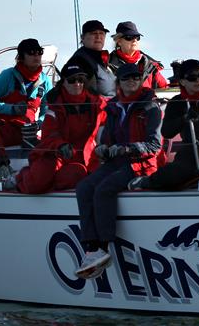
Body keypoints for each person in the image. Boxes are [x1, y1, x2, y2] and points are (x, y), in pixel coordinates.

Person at [74, 63, 162, 279]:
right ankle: (91, 247)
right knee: (84, 187)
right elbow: (105, 140)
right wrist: (103, 149)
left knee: (104, 189)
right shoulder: (114, 107)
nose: (131, 81)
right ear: (119, 82)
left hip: (142, 164)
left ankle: (103, 247)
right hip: (117, 162)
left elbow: (154, 145)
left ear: (141, 80)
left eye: (135, 77)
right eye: (126, 78)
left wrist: (127, 149)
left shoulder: (150, 106)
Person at [127, 59, 199, 191]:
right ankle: (146, 181)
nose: (198, 80)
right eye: (192, 77)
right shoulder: (177, 102)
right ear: (182, 81)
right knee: (173, 175)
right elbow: (166, 132)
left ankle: (197, 178)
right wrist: (184, 119)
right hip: (190, 151)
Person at [5, 58, 106, 193]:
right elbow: (49, 134)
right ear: (63, 82)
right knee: (36, 185)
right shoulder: (55, 105)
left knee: (77, 173)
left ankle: (41, 183)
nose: (77, 84)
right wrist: (60, 145)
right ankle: (21, 178)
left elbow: (107, 123)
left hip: (84, 157)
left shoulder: (96, 104)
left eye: (81, 80)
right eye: (72, 80)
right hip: (54, 153)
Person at [0, 38, 51, 175]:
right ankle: (0, 164)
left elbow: (48, 109)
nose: (36, 56)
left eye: (39, 52)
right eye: (31, 52)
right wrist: (11, 108)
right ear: (21, 57)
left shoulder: (45, 80)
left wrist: (40, 123)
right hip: (5, 130)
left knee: (48, 144)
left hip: (27, 132)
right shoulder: (8, 75)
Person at [108, 21, 168, 89]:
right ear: (119, 41)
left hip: (146, 100)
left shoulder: (150, 65)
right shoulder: (106, 65)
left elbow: (165, 89)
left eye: (137, 37)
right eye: (129, 37)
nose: (134, 40)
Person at [71, 20, 116, 97]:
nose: (98, 37)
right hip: (99, 107)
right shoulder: (80, 61)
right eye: (93, 33)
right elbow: (85, 95)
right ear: (83, 37)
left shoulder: (103, 60)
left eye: (101, 33)